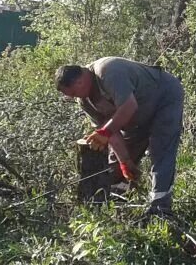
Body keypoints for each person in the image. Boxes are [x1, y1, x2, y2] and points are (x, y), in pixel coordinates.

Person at [56, 58, 184, 217]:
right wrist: (125, 161)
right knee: (116, 163)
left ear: (80, 81)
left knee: (160, 150)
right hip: (135, 117)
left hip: (165, 99)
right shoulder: (85, 101)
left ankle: (160, 208)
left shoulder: (109, 71)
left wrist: (104, 133)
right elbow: (110, 132)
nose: (74, 97)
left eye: (73, 93)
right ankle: (119, 198)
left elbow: (129, 106)